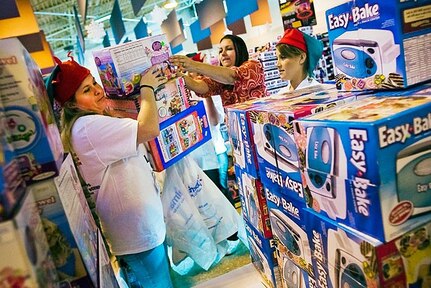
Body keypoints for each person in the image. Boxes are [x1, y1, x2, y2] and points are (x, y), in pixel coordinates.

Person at [45, 55, 173, 288]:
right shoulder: (87, 127)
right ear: (72, 105)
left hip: (139, 226)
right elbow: (148, 128)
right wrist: (147, 88)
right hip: (136, 232)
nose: (96, 90)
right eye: (86, 89)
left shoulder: (90, 122)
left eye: (94, 82)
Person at [169, 34, 268, 106]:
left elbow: (233, 76)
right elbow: (199, 86)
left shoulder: (254, 66)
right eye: (220, 51)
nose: (223, 54)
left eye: (229, 49)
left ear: (240, 50)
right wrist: (174, 74)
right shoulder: (220, 80)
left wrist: (193, 65)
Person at [275, 28, 324, 92]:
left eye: (283, 57)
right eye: (277, 58)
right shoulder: (281, 94)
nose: (277, 64)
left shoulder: (318, 93)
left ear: (302, 58)